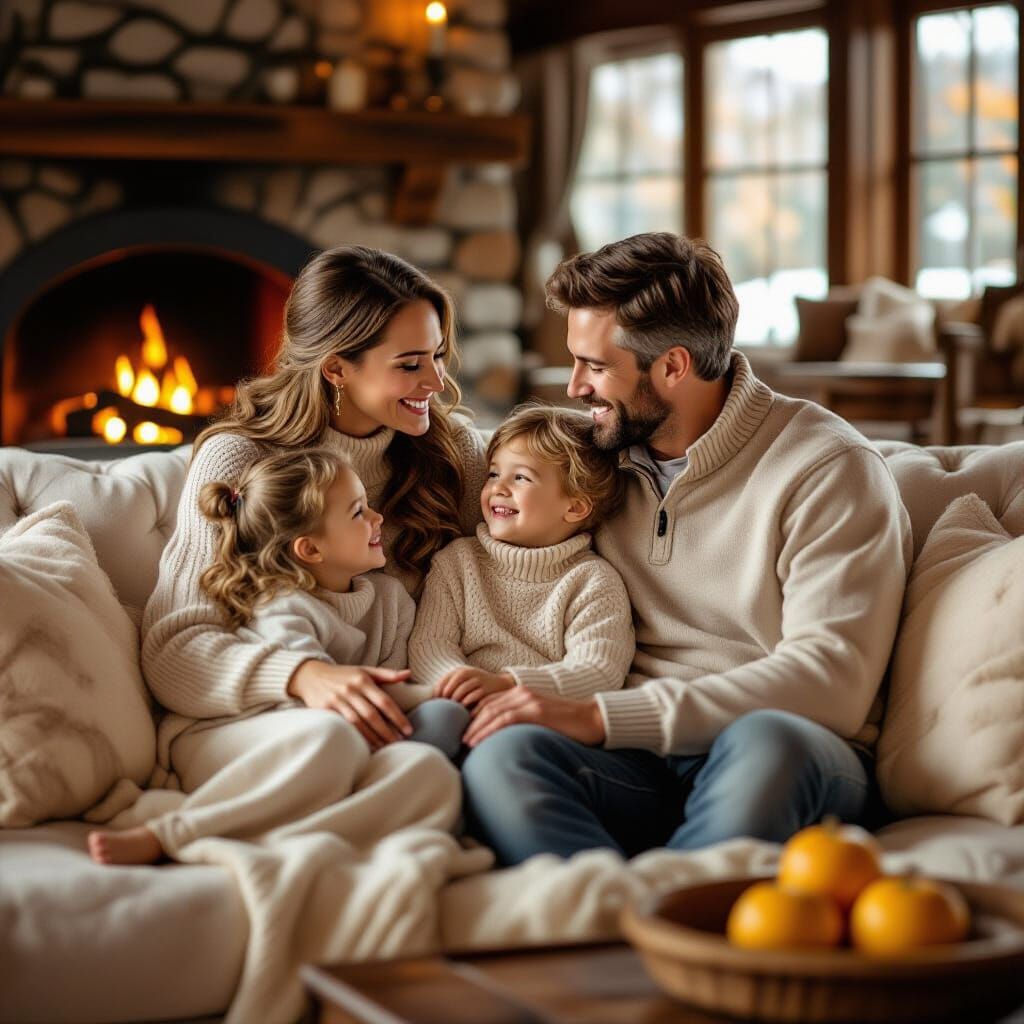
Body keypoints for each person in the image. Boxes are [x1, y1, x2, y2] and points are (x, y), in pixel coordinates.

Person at [459, 232, 913, 865]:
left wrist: (601, 716)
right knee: (505, 751)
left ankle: (671, 922)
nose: (575, 388)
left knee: (770, 742)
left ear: (672, 367)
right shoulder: (592, 457)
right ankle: (608, 921)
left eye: (595, 366)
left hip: (783, 752)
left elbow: (831, 682)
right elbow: (465, 449)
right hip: (636, 761)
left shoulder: (827, 468)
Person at [96, 246, 485, 865]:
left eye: (437, 355)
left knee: (431, 776)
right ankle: (182, 836)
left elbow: (484, 596)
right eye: (411, 364)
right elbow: (173, 652)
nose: (437, 383)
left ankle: (293, 847)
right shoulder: (239, 462)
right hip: (244, 724)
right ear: (336, 369)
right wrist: (303, 675)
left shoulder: (451, 454)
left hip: (377, 726)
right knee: (332, 741)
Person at [88, 447, 466, 864]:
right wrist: (442, 695)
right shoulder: (283, 602)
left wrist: (434, 701)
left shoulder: (391, 603)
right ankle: (175, 831)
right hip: (236, 736)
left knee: (433, 776)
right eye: (358, 512)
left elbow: (384, 699)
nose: (378, 519)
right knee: (330, 735)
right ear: (310, 550)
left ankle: (277, 836)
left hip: (329, 750)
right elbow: (315, 704)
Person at [408, 405, 635, 757]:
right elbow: (430, 645)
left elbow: (598, 669)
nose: (498, 488)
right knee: (436, 718)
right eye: (494, 473)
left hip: (539, 722)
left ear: (575, 507)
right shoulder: (457, 562)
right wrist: (463, 688)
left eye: (521, 478)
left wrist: (509, 687)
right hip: (459, 706)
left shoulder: (592, 581)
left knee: (508, 746)